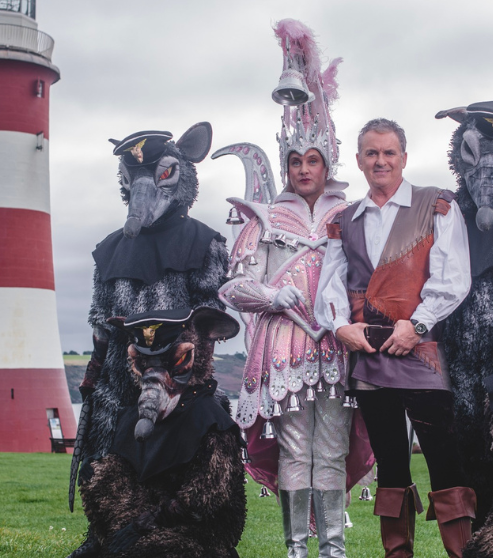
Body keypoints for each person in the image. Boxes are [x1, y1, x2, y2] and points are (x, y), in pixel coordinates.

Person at [218, 19, 372, 558]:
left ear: (327, 163)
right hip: (282, 348)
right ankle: (296, 549)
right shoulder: (264, 216)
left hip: (337, 347)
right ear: (284, 164)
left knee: (330, 450)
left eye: (313, 160)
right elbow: (234, 287)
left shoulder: (351, 212)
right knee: (293, 450)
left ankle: (333, 548)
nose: (304, 169)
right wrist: (271, 296)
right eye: (295, 161)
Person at [314, 118, 474, 557]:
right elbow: (331, 284)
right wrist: (340, 326)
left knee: (445, 460)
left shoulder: (436, 204)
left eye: (389, 152)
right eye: (372, 153)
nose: (380, 161)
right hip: (369, 357)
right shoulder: (344, 220)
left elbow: (453, 277)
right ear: (359, 160)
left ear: (404, 157)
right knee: (390, 467)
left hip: (423, 355)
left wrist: (417, 326)